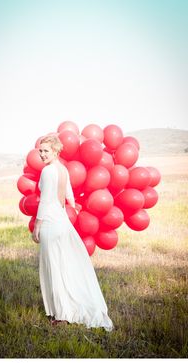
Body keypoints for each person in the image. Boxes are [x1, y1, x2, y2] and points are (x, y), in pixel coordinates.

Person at [32, 135, 113, 331]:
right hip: (62, 221)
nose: (42, 154)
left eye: (46, 151)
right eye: (40, 151)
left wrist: (37, 225)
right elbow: (69, 194)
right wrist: (73, 208)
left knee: (54, 266)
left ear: (55, 151)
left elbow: (45, 200)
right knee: (64, 264)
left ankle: (61, 314)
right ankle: (64, 308)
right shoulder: (63, 169)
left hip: (51, 222)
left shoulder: (48, 171)